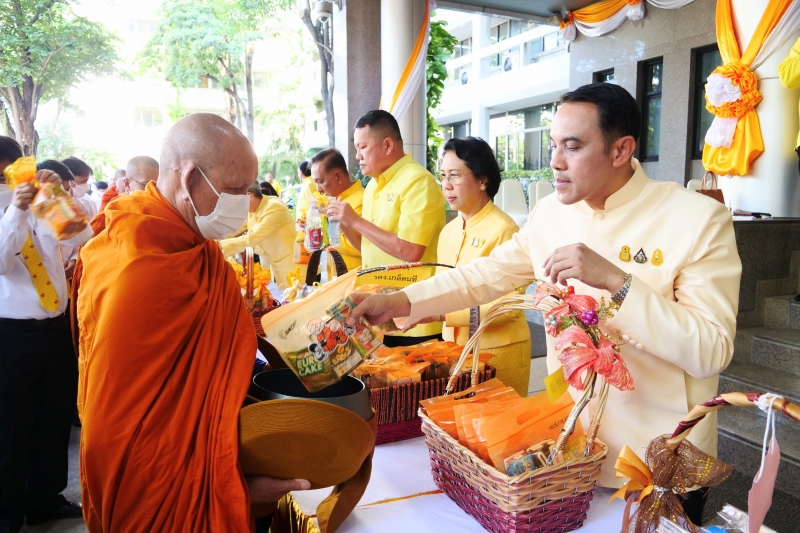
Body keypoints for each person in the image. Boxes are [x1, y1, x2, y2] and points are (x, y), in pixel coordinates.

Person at [346, 83, 741, 523]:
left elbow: (711, 350)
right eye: (554, 145)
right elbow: (486, 275)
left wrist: (617, 281)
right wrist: (401, 300)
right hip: (566, 452)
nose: (554, 161)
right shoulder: (551, 212)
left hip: (659, 462)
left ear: (621, 150)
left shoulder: (696, 219)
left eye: (572, 147)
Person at [73, 113, 308, 533]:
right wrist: (225, 484)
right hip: (156, 485)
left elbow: (215, 356)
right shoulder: (137, 266)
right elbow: (134, 421)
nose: (243, 200)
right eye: (235, 189)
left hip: (205, 454)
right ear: (189, 178)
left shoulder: (196, 246)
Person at [0, 137, 92, 532]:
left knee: (54, 418)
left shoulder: (43, 198)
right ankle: (6, 512)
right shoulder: (14, 208)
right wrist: (15, 211)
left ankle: (44, 498)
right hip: (11, 335)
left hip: (55, 327)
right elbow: (2, 263)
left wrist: (59, 195)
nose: (15, 174)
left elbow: (78, 237)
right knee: (10, 427)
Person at [327, 110, 446, 347]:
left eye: (362, 147)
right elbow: (367, 248)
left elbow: (412, 251)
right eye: (356, 149)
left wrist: (357, 221)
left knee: (413, 383)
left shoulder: (417, 180)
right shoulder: (371, 185)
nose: (358, 156)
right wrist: (346, 223)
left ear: (388, 145)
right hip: (379, 310)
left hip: (414, 316)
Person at [435, 137, 531, 396]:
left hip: (498, 352)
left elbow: (509, 307)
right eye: (443, 175)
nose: (446, 185)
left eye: (455, 175)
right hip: (453, 350)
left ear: (482, 180)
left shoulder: (504, 228)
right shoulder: (448, 231)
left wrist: (443, 313)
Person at [219, 182, 295, 290]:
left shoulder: (274, 207)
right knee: (285, 299)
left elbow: (252, 238)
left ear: (249, 197)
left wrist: (219, 246)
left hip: (289, 262)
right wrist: (213, 236)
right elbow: (236, 227)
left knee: (295, 299)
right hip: (275, 260)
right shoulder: (254, 207)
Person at [310, 147, 364, 272]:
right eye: (316, 183)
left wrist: (325, 239)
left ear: (338, 176)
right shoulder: (332, 201)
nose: (318, 189)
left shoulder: (361, 200)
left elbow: (361, 246)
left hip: (354, 280)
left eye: (321, 181)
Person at [61, 156, 97, 221]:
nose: (86, 185)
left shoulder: (84, 203)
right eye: (84, 181)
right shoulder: (52, 203)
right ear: (69, 179)